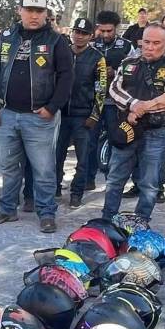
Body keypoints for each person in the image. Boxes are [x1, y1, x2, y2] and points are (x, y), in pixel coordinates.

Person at [0, 0, 72, 233]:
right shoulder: (5, 38)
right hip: (7, 114)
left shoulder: (56, 41)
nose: (34, 15)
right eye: (29, 10)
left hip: (39, 117)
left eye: (39, 11)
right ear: (19, 10)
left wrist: (52, 108)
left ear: (45, 13)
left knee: (43, 169)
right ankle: (7, 208)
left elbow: (66, 78)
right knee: (9, 166)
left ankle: (46, 213)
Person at [101, 24, 165, 222]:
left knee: (149, 184)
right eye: (147, 42)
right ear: (141, 42)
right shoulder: (128, 62)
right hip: (127, 129)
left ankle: (141, 222)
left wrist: (143, 107)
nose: (150, 47)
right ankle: (106, 221)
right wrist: (133, 104)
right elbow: (114, 89)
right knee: (114, 180)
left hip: (154, 132)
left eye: (156, 43)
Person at [56, 17, 107, 208]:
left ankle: (76, 193)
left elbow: (101, 88)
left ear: (91, 36)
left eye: (84, 33)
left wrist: (95, 114)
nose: (79, 36)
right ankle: (55, 188)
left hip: (83, 116)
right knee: (57, 155)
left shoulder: (97, 58)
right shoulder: (62, 53)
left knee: (83, 159)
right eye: (76, 31)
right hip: (60, 114)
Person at [88, 10, 134, 190]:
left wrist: (115, 73)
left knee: (117, 140)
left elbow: (134, 72)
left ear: (117, 29)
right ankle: (88, 179)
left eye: (110, 31)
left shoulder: (127, 46)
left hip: (116, 104)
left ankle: (112, 180)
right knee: (90, 142)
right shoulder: (91, 45)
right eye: (103, 30)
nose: (106, 34)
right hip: (94, 104)